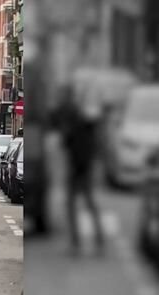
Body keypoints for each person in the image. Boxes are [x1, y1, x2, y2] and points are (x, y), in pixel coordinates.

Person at [58, 85, 104, 255]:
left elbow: (76, 143)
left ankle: (83, 242)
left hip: (80, 167)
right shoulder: (81, 120)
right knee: (82, 203)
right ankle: (88, 240)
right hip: (80, 166)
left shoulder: (76, 121)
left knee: (80, 204)